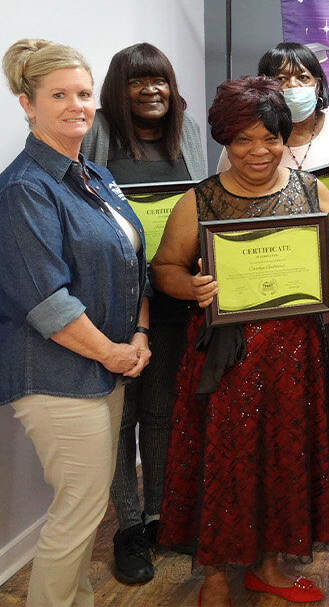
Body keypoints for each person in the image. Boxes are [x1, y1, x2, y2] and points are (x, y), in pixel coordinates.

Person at [152, 76, 329, 606]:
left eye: (270, 137)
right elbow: (164, 269)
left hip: (294, 354)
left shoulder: (308, 189)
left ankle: (270, 564)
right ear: (225, 140)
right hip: (227, 358)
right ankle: (216, 574)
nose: (258, 150)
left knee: (284, 457)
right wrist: (191, 285)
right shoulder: (198, 200)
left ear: (284, 137)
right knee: (223, 459)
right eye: (243, 139)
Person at [0, 38, 150, 607]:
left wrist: (136, 335)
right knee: (79, 512)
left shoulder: (92, 177)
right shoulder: (24, 188)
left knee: (85, 512)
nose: (76, 106)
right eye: (58, 94)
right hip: (57, 377)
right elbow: (47, 303)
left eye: (84, 94)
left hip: (104, 367)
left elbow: (134, 262)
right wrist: (112, 353)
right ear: (26, 103)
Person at [81, 42, 206, 585]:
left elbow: (206, 202)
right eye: (137, 82)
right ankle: (128, 527)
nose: (151, 91)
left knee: (162, 412)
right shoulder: (99, 131)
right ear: (118, 89)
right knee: (120, 417)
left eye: (159, 80)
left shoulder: (189, 129)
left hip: (173, 297)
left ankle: (161, 515)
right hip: (115, 304)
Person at [249, 41, 329, 533]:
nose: (292, 88)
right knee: (273, 391)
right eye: (280, 78)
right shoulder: (249, 135)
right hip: (266, 290)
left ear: (319, 83)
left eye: (302, 77)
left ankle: (328, 482)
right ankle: (279, 487)